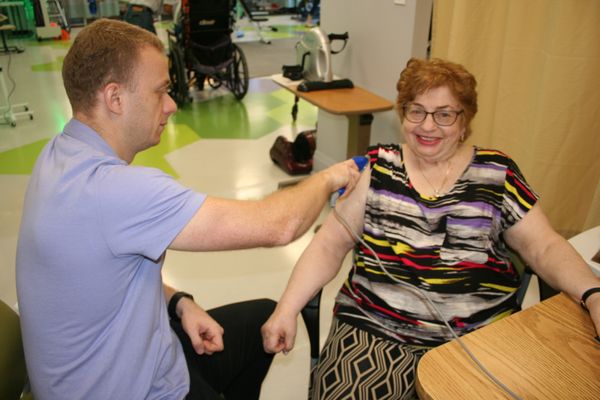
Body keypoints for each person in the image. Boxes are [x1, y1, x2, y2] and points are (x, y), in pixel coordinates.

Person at [15, 19, 361, 400]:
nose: (171, 104)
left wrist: (178, 303)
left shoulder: (58, 156)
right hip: (132, 390)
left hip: (127, 363)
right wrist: (333, 176)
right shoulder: (116, 191)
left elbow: (105, 277)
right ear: (114, 98)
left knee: (261, 317)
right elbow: (279, 225)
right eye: (160, 91)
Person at [261, 58, 600, 399]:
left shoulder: (498, 174)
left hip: (477, 335)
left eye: (444, 114)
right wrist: (287, 308)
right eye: (417, 111)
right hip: (376, 327)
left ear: (464, 120)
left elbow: (545, 247)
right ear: (403, 113)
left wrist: (594, 294)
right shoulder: (379, 169)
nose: (428, 126)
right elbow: (329, 245)